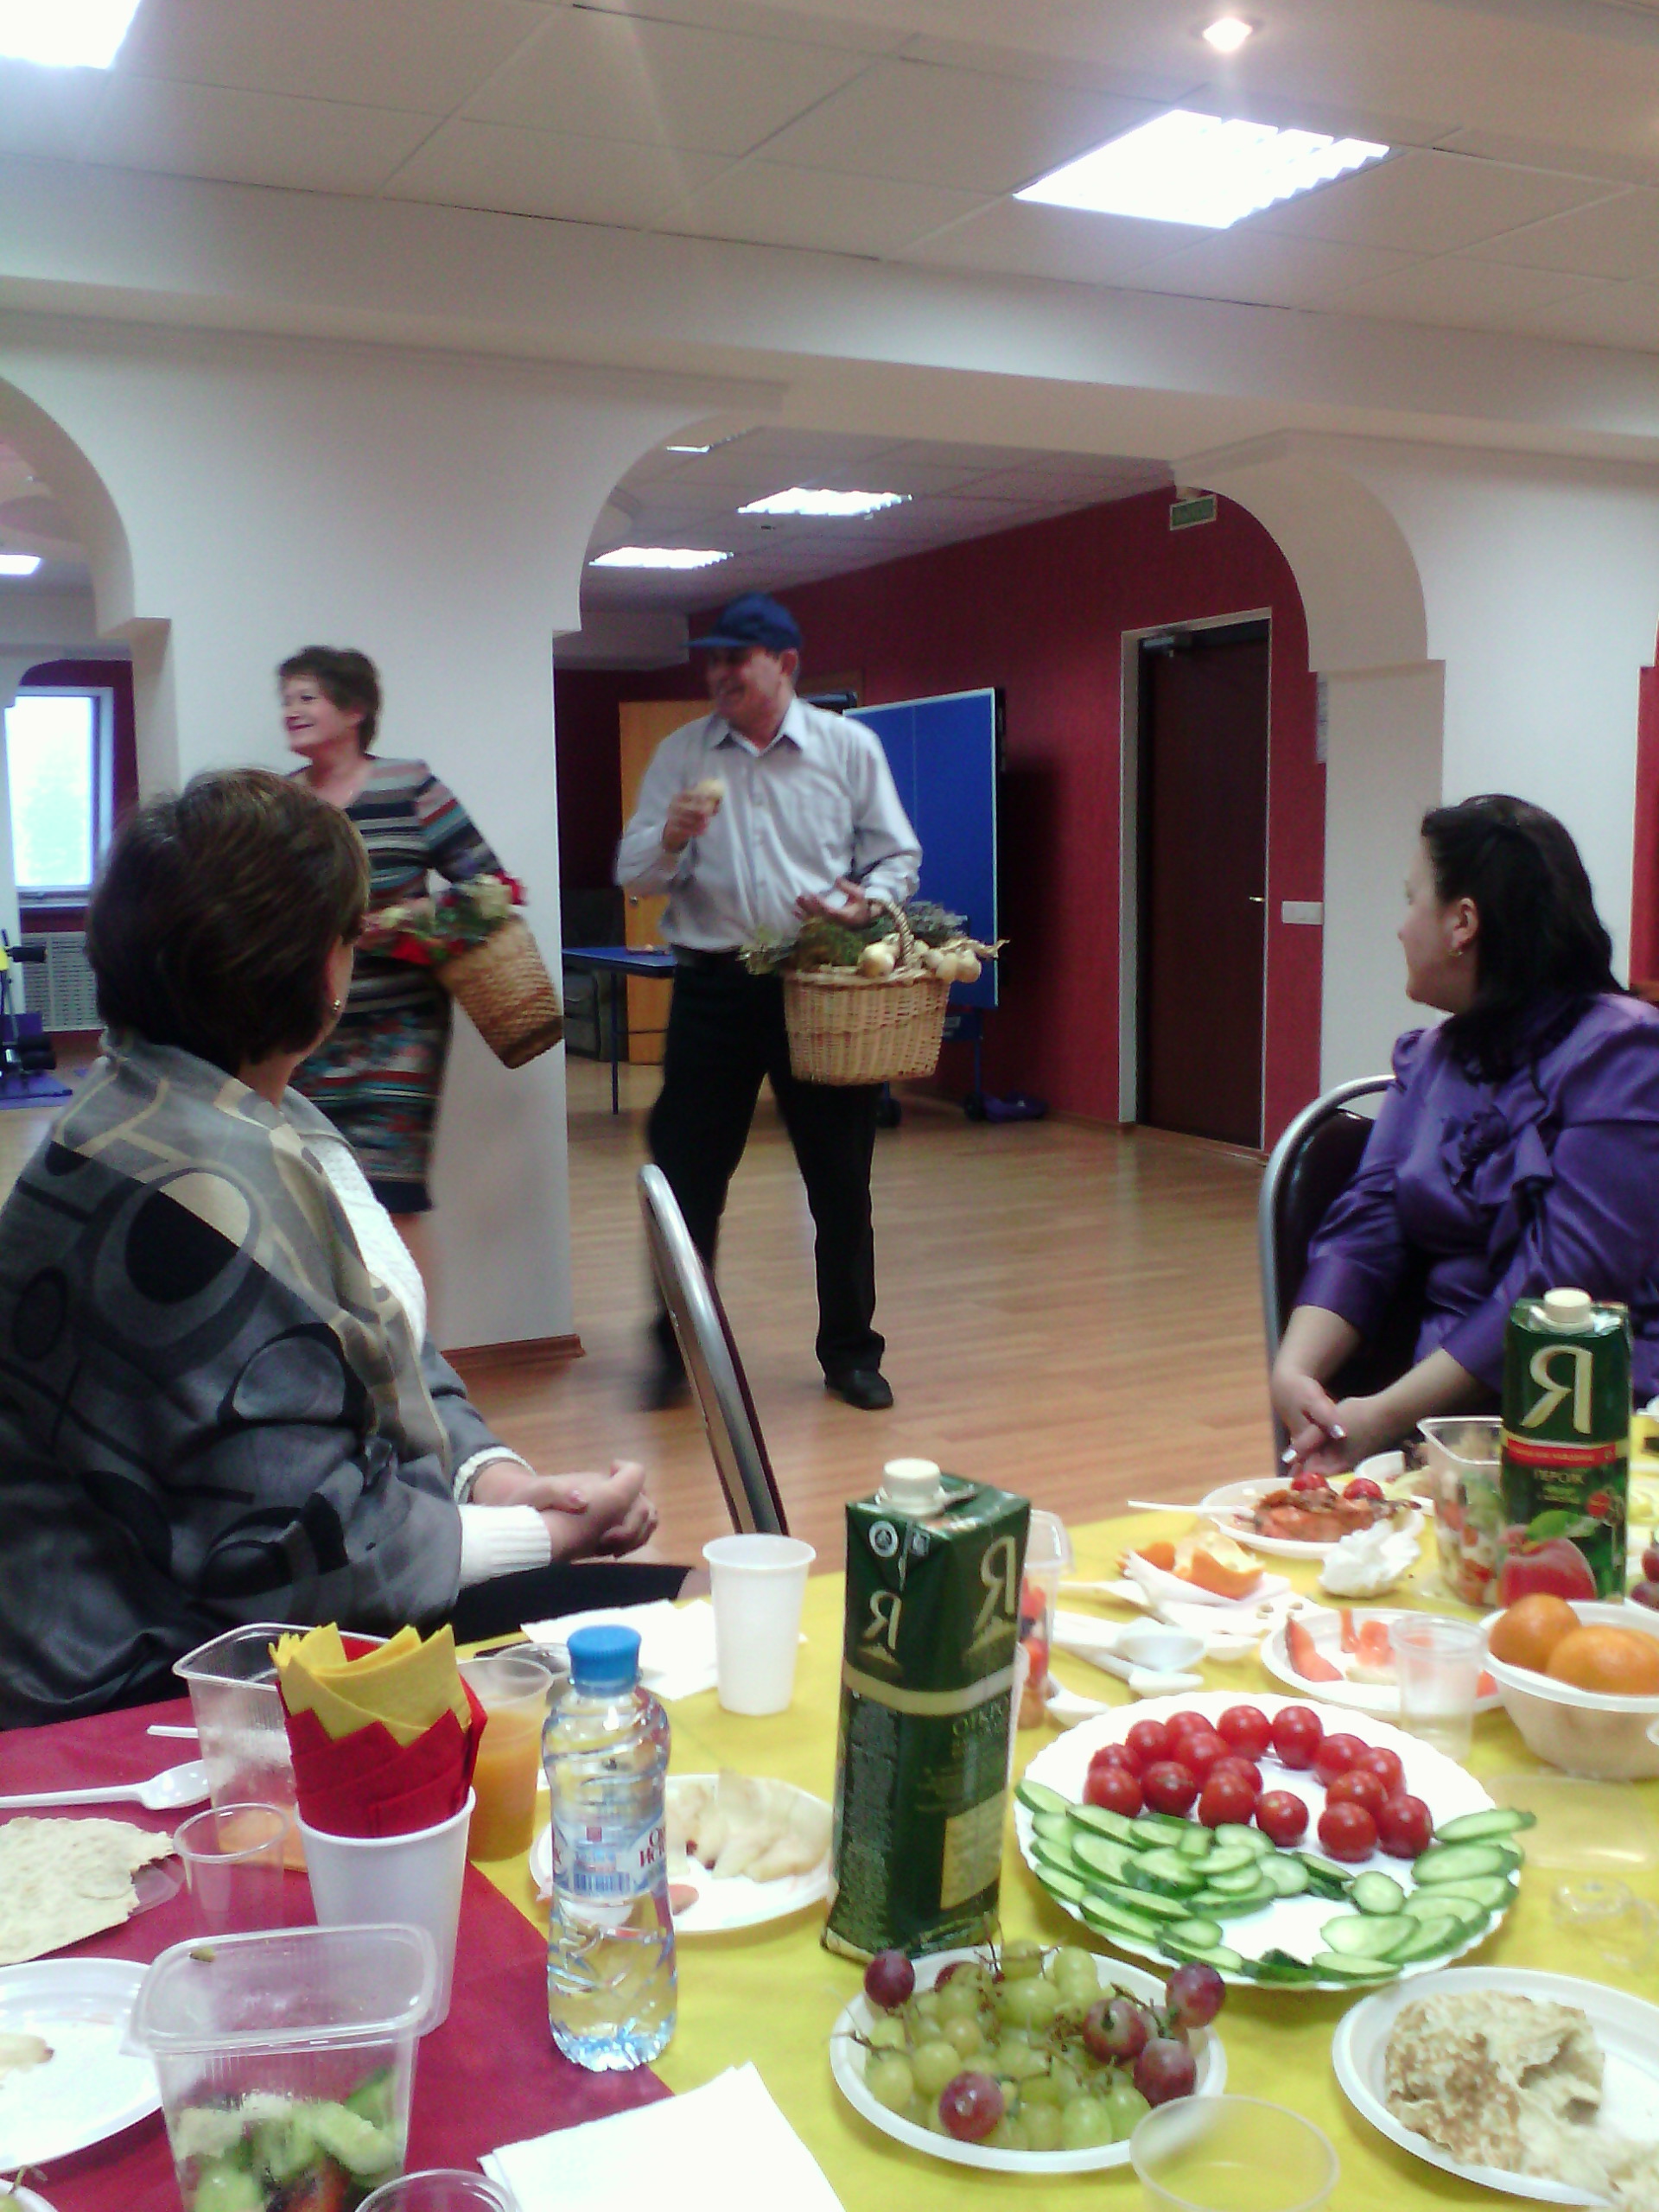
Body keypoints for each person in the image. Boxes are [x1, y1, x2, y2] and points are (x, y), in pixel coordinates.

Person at [0, 770, 673, 1728]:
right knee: (664, 1653)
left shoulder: (202, 1109)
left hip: (260, 1600)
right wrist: (545, 1535)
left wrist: (494, 1477)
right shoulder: (201, 1205)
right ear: (318, 970)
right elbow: (303, 1563)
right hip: (142, 1680)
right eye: (350, 937)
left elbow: (385, 1349)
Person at [1272, 793, 1659, 1474]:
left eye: (1411, 899)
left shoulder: (1623, 1053)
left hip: (1588, 1421)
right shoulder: (1433, 1056)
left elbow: (1562, 1287)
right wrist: (1294, 1369)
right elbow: (1367, 1226)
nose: (1400, 929)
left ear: (1463, 922)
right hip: (1437, 1422)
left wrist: (1386, 1415)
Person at [616, 593, 921, 1412]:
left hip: (817, 985)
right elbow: (633, 874)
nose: (718, 674)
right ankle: (677, 1350)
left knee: (839, 1176)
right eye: (711, 660)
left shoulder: (848, 748)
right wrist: (670, 836)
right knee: (685, 1175)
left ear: (785, 665)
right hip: (712, 988)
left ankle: (851, 1354)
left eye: (735, 659)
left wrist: (864, 904)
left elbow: (897, 855)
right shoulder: (682, 753)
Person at [282, 645, 504, 1280]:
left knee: (392, 1199)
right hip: (306, 1030)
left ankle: (414, 1342)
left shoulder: (411, 786)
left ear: (354, 709)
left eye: (307, 697)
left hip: (403, 1030)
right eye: (287, 699)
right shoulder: (283, 802)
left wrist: (404, 921)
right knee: (314, 1197)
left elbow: (491, 892)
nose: (291, 710)